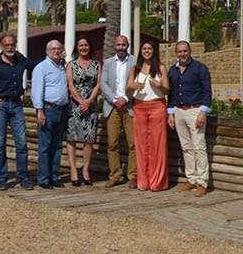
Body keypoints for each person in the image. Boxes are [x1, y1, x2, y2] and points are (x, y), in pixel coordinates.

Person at [0, 32, 40, 191]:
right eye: (7, 45)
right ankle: (2, 178)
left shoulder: (21, 60)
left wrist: (54, 58)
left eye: (12, 44)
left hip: (16, 105)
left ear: (15, 44)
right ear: (2, 46)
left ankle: (23, 177)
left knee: (22, 143)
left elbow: (35, 65)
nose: (10, 47)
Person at [167, 40, 212, 197]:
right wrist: (170, 113)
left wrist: (203, 112)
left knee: (199, 147)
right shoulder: (172, 70)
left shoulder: (200, 68)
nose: (182, 54)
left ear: (190, 51)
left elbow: (207, 91)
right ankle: (191, 179)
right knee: (186, 147)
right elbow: (171, 94)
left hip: (195, 110)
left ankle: (202, 182)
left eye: (185, 51)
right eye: (179, 52)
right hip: (179, 111)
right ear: (176, 53)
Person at [127, 41, 169, 191]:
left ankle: (157, 182)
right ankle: (143, 181)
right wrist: (132, 87)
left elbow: (167, 90)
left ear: (154, 50)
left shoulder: (161, 67)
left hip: (157, 106)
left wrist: (159, 86)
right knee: (141, 145)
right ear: (141, 51)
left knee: (158, 144)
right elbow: (128, 90)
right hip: (139, 107)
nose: (147, 51)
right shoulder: (135, 68)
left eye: (149, 48)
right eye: (144, 48)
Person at [100, 34, 137, 188]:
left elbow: (138, 83)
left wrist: (126, 99)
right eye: (119, 45)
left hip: (130, 106)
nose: (121, 47)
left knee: (133, 144)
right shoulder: (108, 63)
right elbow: (103, 83)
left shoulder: (135, 61)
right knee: (112, 143)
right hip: (112, 106)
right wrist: (115, 100)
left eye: (124, 45)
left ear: (128, 46)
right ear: (115, 46)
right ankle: (115, 175)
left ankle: (133, 176)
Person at [31, 39, 69, 190]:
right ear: (47, 51)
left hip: (62, 110)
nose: (56, 51)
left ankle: (54, 176)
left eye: (59, 48)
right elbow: (36, 91)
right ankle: (44, 178)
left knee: (57, 145)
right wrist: (40, 110)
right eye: (53, 49)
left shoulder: (62, 67)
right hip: (48, 110)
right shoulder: (41, 67)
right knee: (45, 146)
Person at [65, 36, 101, 187]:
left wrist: (89, 101)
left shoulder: (96, 64)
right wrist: (81, 102)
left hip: (91, 105)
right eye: (81, 45)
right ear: (77, 48)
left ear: (89, 47)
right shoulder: (71, 65)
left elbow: (98, 84)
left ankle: (85, 169)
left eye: (86, 45)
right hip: (74, 105)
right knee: (72, 137)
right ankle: (73, 169)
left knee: (89, 138)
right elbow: (71, 86)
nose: (84, 48)